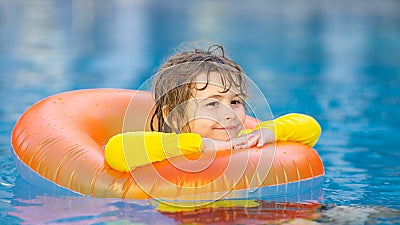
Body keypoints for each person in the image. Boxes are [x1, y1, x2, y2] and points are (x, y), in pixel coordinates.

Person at [105, 44, 321, 172]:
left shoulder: (245, 140)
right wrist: (204, 146)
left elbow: (310, 128)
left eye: (235, 102)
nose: (229, 114)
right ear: (172, 115)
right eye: (213, 103)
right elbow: (116, 150)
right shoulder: (162, 150)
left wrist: (270, 131)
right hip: (180, 223)